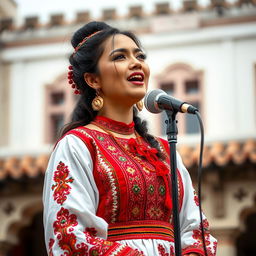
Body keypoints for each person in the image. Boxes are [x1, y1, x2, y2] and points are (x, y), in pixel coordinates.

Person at [43, 21, 217, 256]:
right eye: (119, 57)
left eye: (140, 56)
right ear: (93, 80)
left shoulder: (165, 150)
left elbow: (197, 230)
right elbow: (69, 234)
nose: (136, 63)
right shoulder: (78, 144)